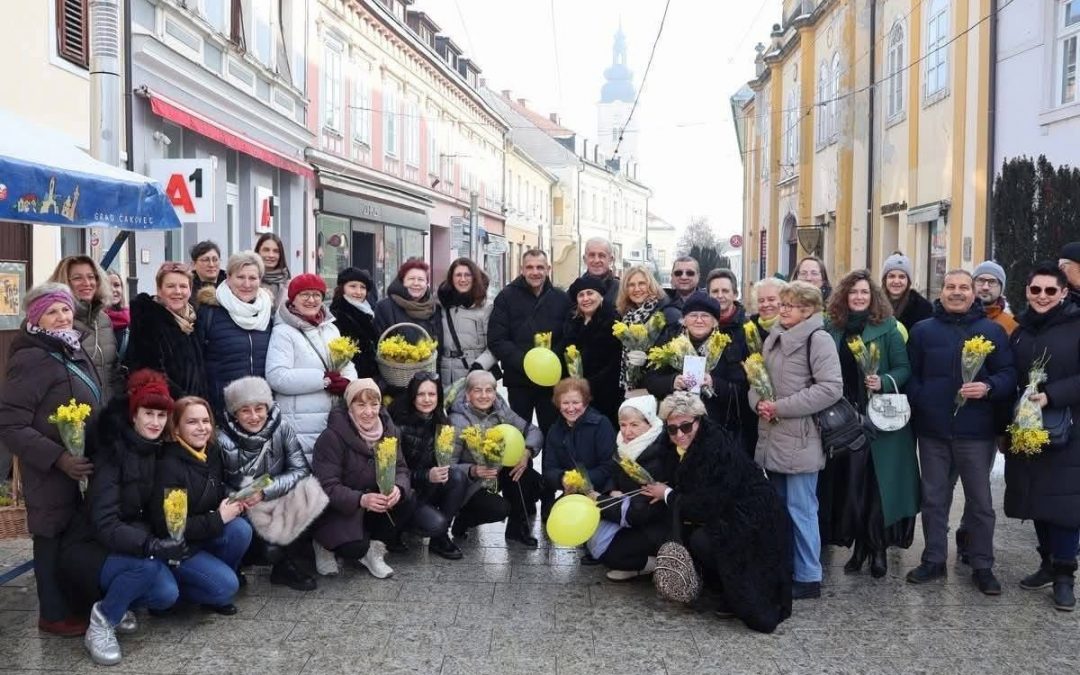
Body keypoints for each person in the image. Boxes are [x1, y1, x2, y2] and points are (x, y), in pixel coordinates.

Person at [640, 393, 792, 633]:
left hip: (754, 521)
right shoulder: (678, 441)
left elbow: (707, 504)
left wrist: (667, 494)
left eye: (686, 426)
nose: (680, 434)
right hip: (729, 512)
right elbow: (650, 458)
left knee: (704, 540)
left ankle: (733, 594)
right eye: (672, 429)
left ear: (699, 421)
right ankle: (720, 587)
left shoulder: (716, 447)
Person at [905, 269, 1016, 595]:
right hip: (934, 431)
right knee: (934, 498)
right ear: (941, 292)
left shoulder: (992, 332)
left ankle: (982, 564)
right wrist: (923, 400)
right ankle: (934, 558)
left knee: (980, 502)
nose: (957, 292)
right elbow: (910, 375)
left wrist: (989, 386)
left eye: (963, 287)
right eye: (951, 287)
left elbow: (1009, 374)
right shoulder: (923, 331)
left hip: (976, 433)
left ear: (974, 293)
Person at [0, 283, 101, 635]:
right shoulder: (31, 357)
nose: (61, 317)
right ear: (35, 317)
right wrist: (59, 458)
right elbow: (10, 424)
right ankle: (53, 614)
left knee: (73, 537)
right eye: (52, 311)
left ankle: (74, 605)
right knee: (50, 538)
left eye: (65, 309)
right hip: (51, 471)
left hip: (80, 466)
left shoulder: (70, 346)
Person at [59, 370, 180, 665]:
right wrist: (149, 545)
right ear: (133, 414)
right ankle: (101, 622)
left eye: (161, 416)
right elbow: (105, 522)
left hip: (123, 543)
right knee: (148, 568)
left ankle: (120, 602)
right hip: (89, 548)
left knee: (167, 594)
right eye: (148, 413)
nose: (154, 422)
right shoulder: (112, 453)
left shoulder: (157, 451)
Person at [822, 270, 920, 579]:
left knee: (879, 488)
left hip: (882, 418)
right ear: (844, 297)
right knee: (853, 487)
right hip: (844, 421)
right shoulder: (831, 328)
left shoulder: (888, 327)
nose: (859, 297)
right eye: (853, 293)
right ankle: (858, 548)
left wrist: (885, 380)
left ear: (873, 296)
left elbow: (905, 368)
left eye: (864, 292)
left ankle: (877, 548)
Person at [749, 280, 842, 600]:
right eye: (782, 303)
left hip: (801, 437)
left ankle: (808, 575)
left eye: (789, 305)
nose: (781, 309)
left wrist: (780, 407)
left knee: (801, 507)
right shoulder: (776, 336)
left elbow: (830, 388)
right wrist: (758, 402)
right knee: (777, 508)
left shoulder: (819, 339)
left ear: (808, 310)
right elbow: (758, 378)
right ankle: (784, 567)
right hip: (772, 433)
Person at [311, 378, 447, 578]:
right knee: (353, 548)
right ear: (350, 406)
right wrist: (361, 499)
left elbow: (401, 468)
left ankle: (374, 551)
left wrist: (397, 489)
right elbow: (327, 487)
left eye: (374, 404)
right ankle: (323, 545)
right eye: (361, 405)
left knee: (407, 498)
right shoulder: (331, 437)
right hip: (342, 507)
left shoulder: (389, 430)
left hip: (375, 502)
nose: (369, 412)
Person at [1005, 263, 1080, 611]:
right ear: (1027, 291)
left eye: (1051, 291)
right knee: (1035, 497)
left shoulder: (1076, 325)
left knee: (1064, 504)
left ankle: (1065, 575)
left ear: (1064, 293)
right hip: (1027, 428)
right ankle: (1047, 562)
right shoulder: (1020, 330)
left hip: (1068, 429)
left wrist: (1053, 394)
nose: (1043, 297)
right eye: (1036, 290)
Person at [218, 376, 325, 592]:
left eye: (259, 408)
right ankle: (237, 564)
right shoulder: (221, 440)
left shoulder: (282, 428)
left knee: (312, 492)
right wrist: (241, 498)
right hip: (240, 506)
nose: (254, 416)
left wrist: (266, 491)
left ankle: (286, 566)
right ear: (234, 414)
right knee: (262, 545)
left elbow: (301, 470)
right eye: (245, 410)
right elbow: (214, 483)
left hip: (275, 497)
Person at [151, 396, 252, 615]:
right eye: (192, 422)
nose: (202, 428)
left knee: (240, 529)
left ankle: (212, 581)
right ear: (175, 428)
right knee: (227, 587)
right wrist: (219, 518)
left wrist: (234, 498)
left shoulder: (210, 452)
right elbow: (172, 529)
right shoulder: (169, 466)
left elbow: (214, 491)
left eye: (206, 421)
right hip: (179, 549)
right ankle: (171, 596)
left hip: (202, 535)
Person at [388, 372, 490, 560]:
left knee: (457, 477)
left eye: (432, 394)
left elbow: (442, 462)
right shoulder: (397, 424)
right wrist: (426, 475)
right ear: (412, 395)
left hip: (427, 487)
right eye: (421, 394)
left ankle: (440, 538)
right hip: (404, 492)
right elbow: (390, 473)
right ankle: (394, 531)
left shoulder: (440, 420)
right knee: (436, 523)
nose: (427, 399)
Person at [645, 291, 752, 453]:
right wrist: (672, 382)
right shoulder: (669, 343)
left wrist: (714, 383)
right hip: (677, 433)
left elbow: (742, 391)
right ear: (684, 320)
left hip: (718, 432)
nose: (699, 320)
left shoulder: (728, 346)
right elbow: (650, 380)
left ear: (715, 322)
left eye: (705, 316)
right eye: (693, 315)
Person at [265, 274, 357, 461]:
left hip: (333, 418)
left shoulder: (330, 329)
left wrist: (348, 382)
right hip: (300, 423)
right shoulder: (283, 332)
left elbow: (346, 362)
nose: (311, 300)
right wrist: (324, 380)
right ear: (293, 299)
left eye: (316, 295)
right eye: (304, 295)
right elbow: (277, 376)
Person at [448, 370, 544, 546]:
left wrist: (527, 451)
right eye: (478, 390)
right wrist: (473, 470)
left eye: (489, 390)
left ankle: (517, 531)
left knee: (530, 477)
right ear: (468, 394)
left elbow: (533, 431)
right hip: (472, 482)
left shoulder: (501, 410)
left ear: (495, 392)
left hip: (497, 472)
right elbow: (447, 465)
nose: (484, 396)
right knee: (499, 509)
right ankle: (463, 520)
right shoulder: (457, 421)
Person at [592, 396, 676, 582]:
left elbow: (640, 511)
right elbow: (613, 475)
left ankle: (658, 565)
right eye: (623, 425)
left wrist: (600, 501)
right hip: (627, 511)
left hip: (654, 524)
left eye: (634, 425)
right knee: (593, 542)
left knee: (611, 554)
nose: (627, 431)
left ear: (649, 423)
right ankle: (636, 564)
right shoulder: (624, 446)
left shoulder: (657, 455)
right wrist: (612, 491)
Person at [488, 249, 570, 433]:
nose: (535, 272)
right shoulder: (506, 297)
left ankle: (551, 463)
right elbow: (497, 339)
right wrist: (526, 363)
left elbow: (568, 337)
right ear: (522, 269)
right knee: (519, 433)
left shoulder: (561, 298)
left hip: (552, 381)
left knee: (553, 432)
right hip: (519, 379)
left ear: (548, 268)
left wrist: (551, 361)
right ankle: (522, 463)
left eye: (540, 267)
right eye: (530, 267)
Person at [196, 251, 273, 419]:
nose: (247, 284)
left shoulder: (267, 314)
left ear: (260, 281)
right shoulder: (209, 312)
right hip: (222, 409)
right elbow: (197, 363)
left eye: (253, 278)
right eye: (240, 277)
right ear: (228, 278)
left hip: (259, 412)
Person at [125, 262, 208, 400]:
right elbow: (151, 371)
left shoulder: (194, 321)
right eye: (170, 286)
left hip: (193, 409)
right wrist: (183, 401)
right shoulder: (148, 320)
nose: (178, 291)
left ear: (190, 289)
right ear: (159, 290)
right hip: (164, 408)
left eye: (183, 286)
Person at [49, 256, 123, 400]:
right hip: (72, 415)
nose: (87, 283)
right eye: (77, 278)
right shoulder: (56, 321)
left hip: (107, 413)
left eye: (91, 277)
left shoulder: (103, 320)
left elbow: (113, 370)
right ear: (64, 282)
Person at [541, 378, 616, 501]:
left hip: (602, 490)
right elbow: (549, 470)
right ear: (558, 404)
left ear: (585, 402)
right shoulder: (555, 430)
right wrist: (562, 479)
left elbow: (609, 466)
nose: (570, 409)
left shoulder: (601, 424)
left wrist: (581, 480)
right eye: (565, 403)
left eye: (576, 402)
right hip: (571, 492)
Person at [562, 275, 622, 425]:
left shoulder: (613, 322)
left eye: (590, 293)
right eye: (581, 295)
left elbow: (614, 363)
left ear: (600, 296)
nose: (585, 298)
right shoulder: (573, 322)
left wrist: (587, 385)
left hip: (605, 394)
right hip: (576, 397)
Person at [615, 264, 681, 396]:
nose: (637, 289)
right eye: (631, 285)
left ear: (651, 285)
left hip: (661, 390)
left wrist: (647, 359)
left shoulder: (667, 314)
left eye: (642, 283)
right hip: (634, 389)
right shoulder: (627, 317)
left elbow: (676, 356)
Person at [437, 257, 498, 386]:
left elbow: (494, 345)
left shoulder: (486, 307)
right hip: (444, 373)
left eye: (467, 275)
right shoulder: (441, 305)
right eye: (458, 275)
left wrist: (479, 367)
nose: (463, 279)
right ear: (451, 278)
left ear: (474, 277)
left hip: (475, 374)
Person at [374, 259, 442, 355]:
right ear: (402, 282)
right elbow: (379, 342)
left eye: (421, 279)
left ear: (426, 284)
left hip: (429, 367)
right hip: (396, 367)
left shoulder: (434, 308)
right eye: (411, 279)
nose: (416, 283)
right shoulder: (385, 307)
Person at [329, 267, 379, 380]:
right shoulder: (337, 315)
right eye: (353, 286)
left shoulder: (368, 312)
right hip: (352, 380)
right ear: (343, 288)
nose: (358, 292)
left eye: (363, 287)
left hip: (371, 379)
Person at [881, 253, 933, 333]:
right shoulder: (874, 304)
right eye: (891, 276)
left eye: (902, 277)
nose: (896, 281)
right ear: (885, 280)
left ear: (908, 281)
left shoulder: (923, 308)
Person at [974, 260, 1018, 336]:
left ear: (1001, 288)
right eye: (980, 280)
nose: (985, 287)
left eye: (992, 282)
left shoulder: (1011, 324)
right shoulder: (959, 317)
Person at [580, 237, 620, 310]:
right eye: (592, 255)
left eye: (601, 255)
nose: (596, 260)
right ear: (585, 259)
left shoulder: (622, 290)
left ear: (611, 259)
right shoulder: (574, 290)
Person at [255, 232, 291, 312]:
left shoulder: (289, 284)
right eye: (266, 250)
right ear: (258, 252)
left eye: (276, 251)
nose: (271, 255)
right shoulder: (249, 280)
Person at [747, 277, 786, 343]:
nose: (765, 304)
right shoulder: (748, 328)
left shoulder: (792, 327)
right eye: (761, 301)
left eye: (771, 299)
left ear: (784, 301)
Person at [104, 269, 130, 366]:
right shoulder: (94, 322)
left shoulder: (133, 320)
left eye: (116, 285)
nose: (113, 290)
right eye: (107, 286)